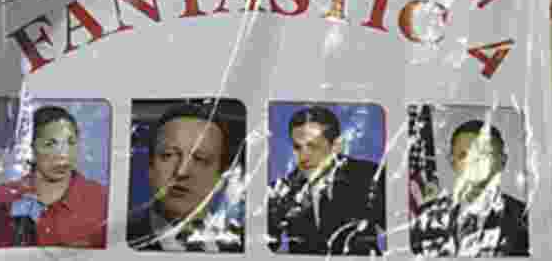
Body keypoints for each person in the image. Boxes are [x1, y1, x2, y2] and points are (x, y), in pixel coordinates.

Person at [127, 102, 244, 253]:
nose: (181, 171)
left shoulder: (239, 242)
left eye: (200, 159)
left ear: (222, 175)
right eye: (168, 155)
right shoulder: (118, 237)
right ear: (150, 167)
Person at [267, 106, 385, 255]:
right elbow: (265, 248)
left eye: (313, 147)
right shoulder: (282, 191)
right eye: (298, 147)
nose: (303, 157)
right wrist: (273, 219)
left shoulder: (368, 176)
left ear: (336, 146)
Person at [0, 105, 108, 248]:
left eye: (70, 143)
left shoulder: (102, 200)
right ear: (29, 149)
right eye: (50, 144)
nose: (63, 155)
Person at [410, 120, 530, 257]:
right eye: (464, 155)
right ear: (452, 162)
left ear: (502, 161)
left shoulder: (525, 219)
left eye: (484, 154)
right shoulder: (428, 218)